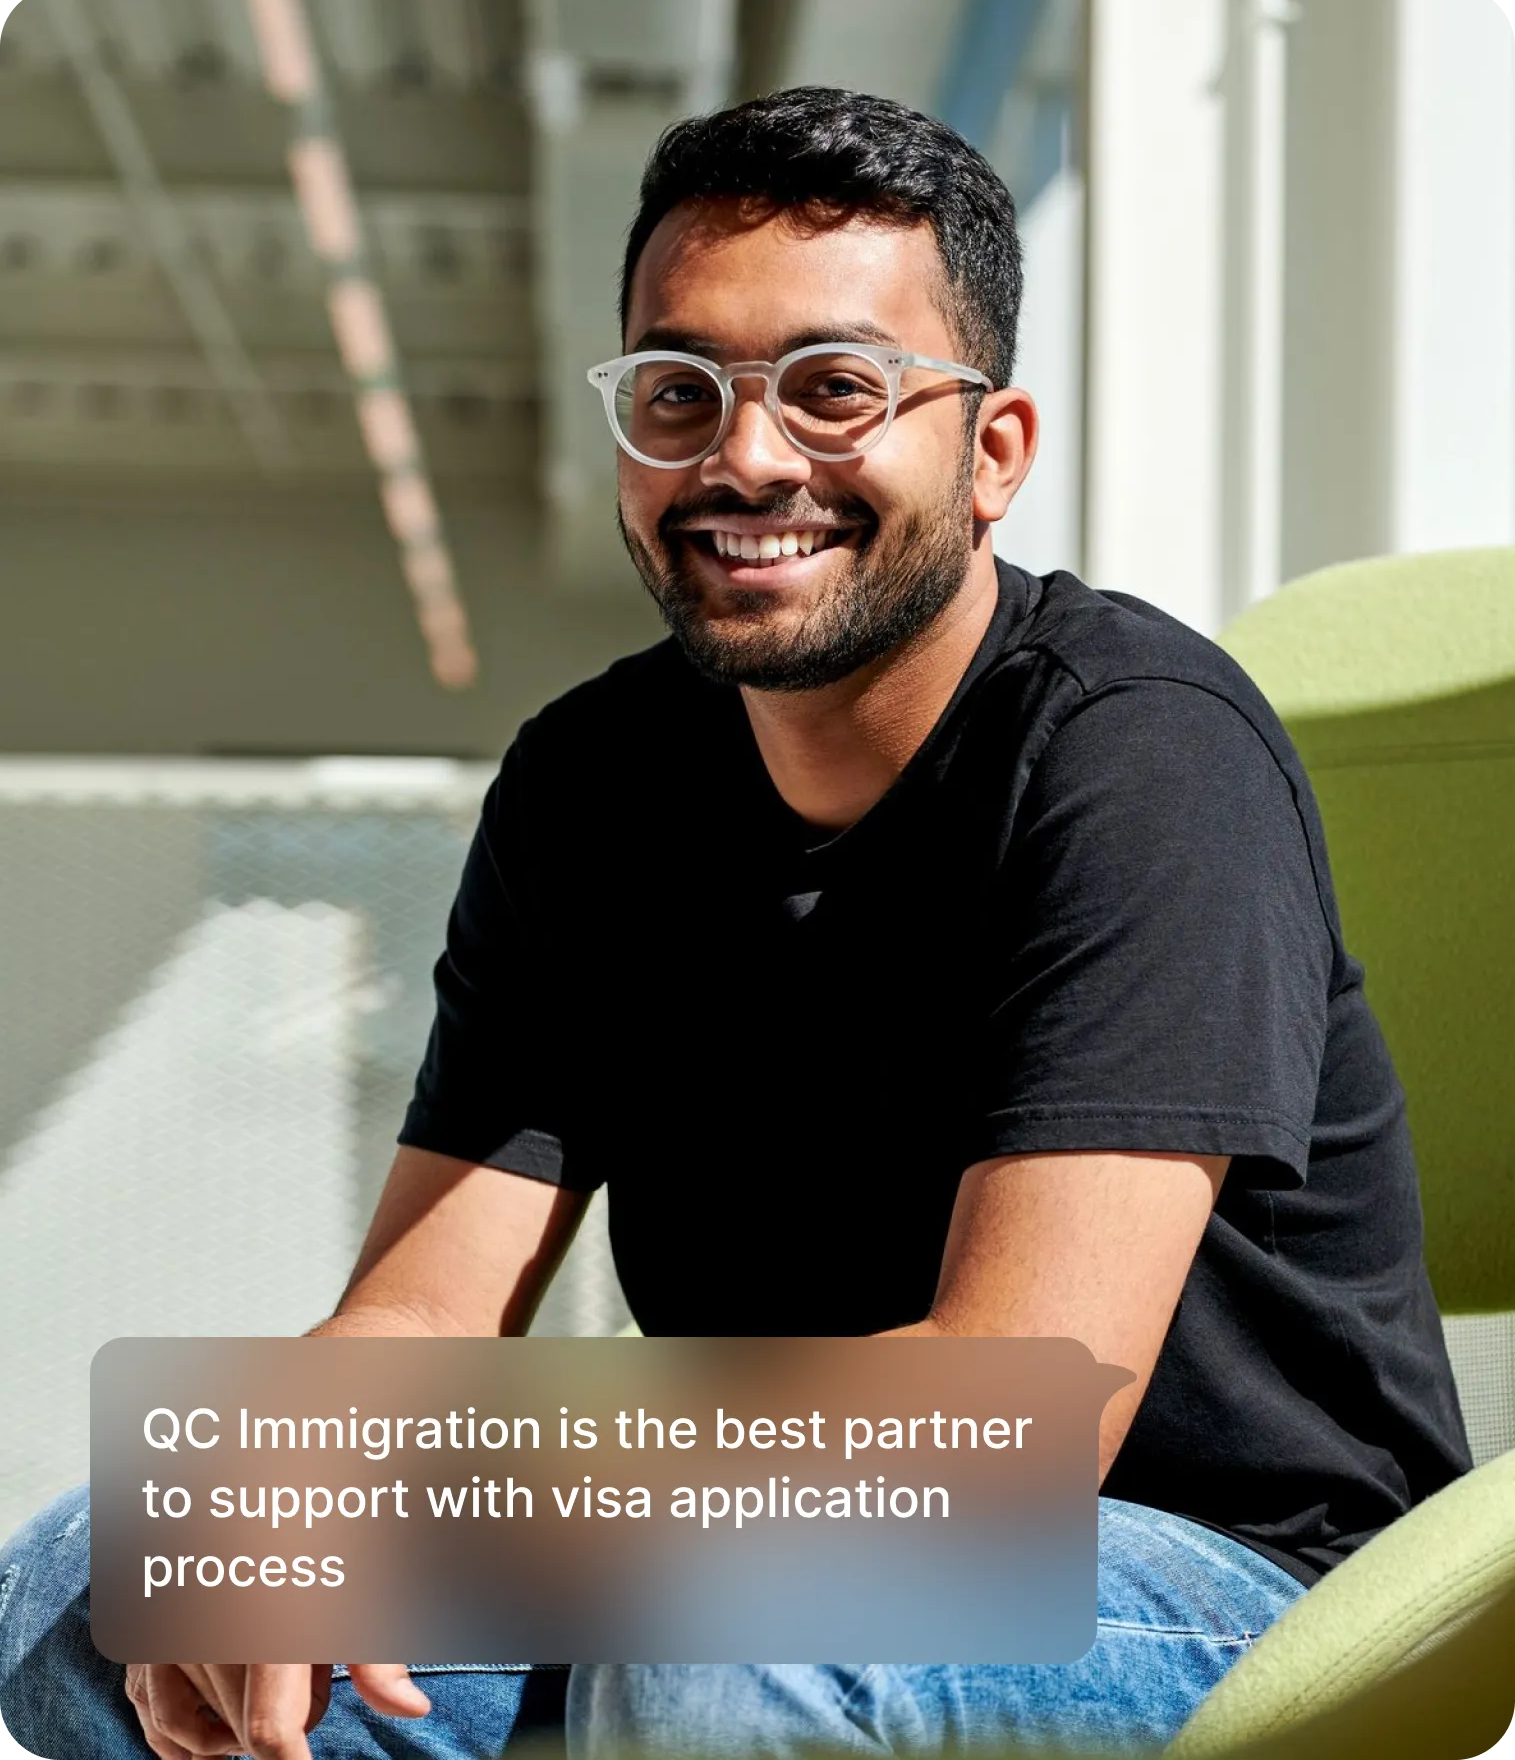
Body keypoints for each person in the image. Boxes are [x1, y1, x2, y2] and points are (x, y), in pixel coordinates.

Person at [0, 86, 1470, 1760]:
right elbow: (415, 1315)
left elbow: (1014, 1416)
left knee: (728, 1631)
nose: (746, 457)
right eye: (679, 394)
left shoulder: (1137, 752)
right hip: (738, 1537)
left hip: (1216, 1586)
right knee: (108, 1576)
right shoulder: (590, 785)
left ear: (991, 454)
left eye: (836, 389)